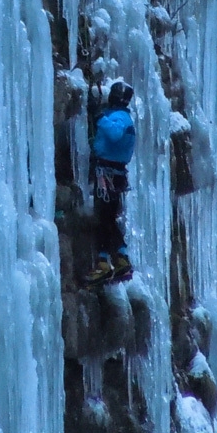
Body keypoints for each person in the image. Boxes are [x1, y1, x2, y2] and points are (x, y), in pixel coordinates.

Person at [85, 80, 136, 287]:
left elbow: (114, 134)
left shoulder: (120, 118)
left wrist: (99, 117)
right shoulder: (123, 117)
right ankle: (114, 257)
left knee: (104, 218)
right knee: (107, 218)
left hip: (107, 174)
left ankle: (107, 261)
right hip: (113, 174)